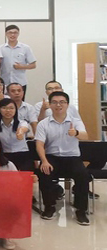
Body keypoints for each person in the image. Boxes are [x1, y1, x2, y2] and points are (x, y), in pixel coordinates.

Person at [35, 91, 90, 225]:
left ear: (67, 105)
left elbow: (85, 136)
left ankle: (81, 210)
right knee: (44, 172)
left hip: (72, 157)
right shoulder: (43, 124)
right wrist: (44, 161)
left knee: (83, 175)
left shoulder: (75, 121)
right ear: (50, 105)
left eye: (62, 102)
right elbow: (39, 144)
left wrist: (75, 133)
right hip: (52, 157)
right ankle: (49, 207)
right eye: (54, 102)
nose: (58, 105)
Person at [0, 98, 32, 172]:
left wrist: (20, 132)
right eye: (4, 108)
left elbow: (24, 128)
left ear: (16, 110)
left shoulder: (21, 122)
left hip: (22, 154)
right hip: (3, 155)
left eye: (11, 108)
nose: (8, 111)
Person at [0, 25, 36, 93]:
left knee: (19, 99)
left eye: (15, 33)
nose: (12, 35)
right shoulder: (0, 48)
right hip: (5, 82)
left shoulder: (25, 48)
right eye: (10, 32)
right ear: (6, 34)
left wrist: (21, 66)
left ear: (18, 34)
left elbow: (33, 65)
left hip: (20, 82)